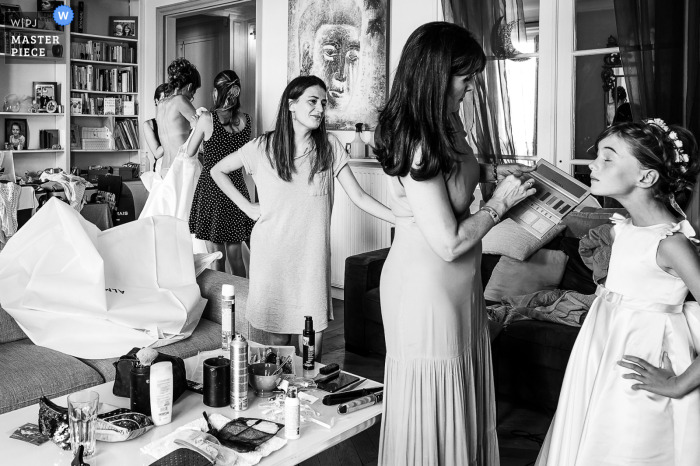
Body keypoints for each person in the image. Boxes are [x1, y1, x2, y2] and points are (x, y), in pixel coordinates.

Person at [373, 22, 536, 465]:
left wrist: (490, 174)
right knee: (434, 397)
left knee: (464, 388)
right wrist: (499, 205)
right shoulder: (416, 141)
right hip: (426, 289)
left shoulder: (447, 120)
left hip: (462, 285)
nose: (469, 89)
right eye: (464, 79)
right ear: (437, 74)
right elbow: (447, 242)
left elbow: (458, 172)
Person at [536, 119, 700, 466]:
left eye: (607, 158)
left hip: (642, 360)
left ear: (646, 177)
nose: (593, 164)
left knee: (626, 445)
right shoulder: (622, 228)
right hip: (601, 354)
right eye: (597, 156)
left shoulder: (671, 244)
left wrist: (680, 384)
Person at [210, 75, 394, 357]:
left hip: (311, 262)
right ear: (291, 104)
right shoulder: (261, 148)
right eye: (312, 101)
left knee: (311, 356)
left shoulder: (329, 147)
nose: (320, 109)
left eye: (323, 103)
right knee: (277, 353)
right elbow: (217, 170)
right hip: (272, 260)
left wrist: (401, 218)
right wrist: (247, 207)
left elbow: (359, 197)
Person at [187, 70, 254, 277]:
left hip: (212, 191)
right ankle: (242, 301)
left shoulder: (207, 118)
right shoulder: (246, 120)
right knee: (236, 257)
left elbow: (190, 151)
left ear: (216, 92)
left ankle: (222, 306)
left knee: (217, 256)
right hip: (237, 190)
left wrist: (195, 126)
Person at [139, 59, 202, 230]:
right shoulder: (181, 100)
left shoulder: (161, 104)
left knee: (164, 223)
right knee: (188, 221)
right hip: (181, 170)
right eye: (194, 91)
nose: (193, 96)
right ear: (189, 87)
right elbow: (202, 127)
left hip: (164, 171)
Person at [143, 83, 169, 172]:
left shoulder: (178, 122)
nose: (167, 104)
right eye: (163, 99)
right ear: (156, 101)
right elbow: (157, 153)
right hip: (160, 169)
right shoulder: (148, 125)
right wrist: (175, 136)